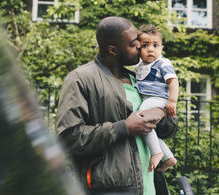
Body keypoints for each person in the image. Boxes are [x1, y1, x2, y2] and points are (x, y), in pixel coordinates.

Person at [55, 17, 177, 195]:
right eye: (133, 43)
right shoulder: (80, 79)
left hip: (149, 187)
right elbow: (68, 137)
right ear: (113, 50)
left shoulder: (140, 80)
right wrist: (123, 128)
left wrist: (161, 113)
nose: (140, 46)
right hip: (111, 189)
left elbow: (170, 129)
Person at [135, 25, 178, 173]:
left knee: (141, 120)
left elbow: (173, 81)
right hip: (148, 99)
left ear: (162, 48)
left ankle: (156, 153)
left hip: (158, 98)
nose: (150, 49)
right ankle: (168, 157)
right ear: (138, 49)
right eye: (145, 46)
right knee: (149, 130)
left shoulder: (163, 63)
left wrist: (172, 101)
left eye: (155, 45)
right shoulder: (139, 65)